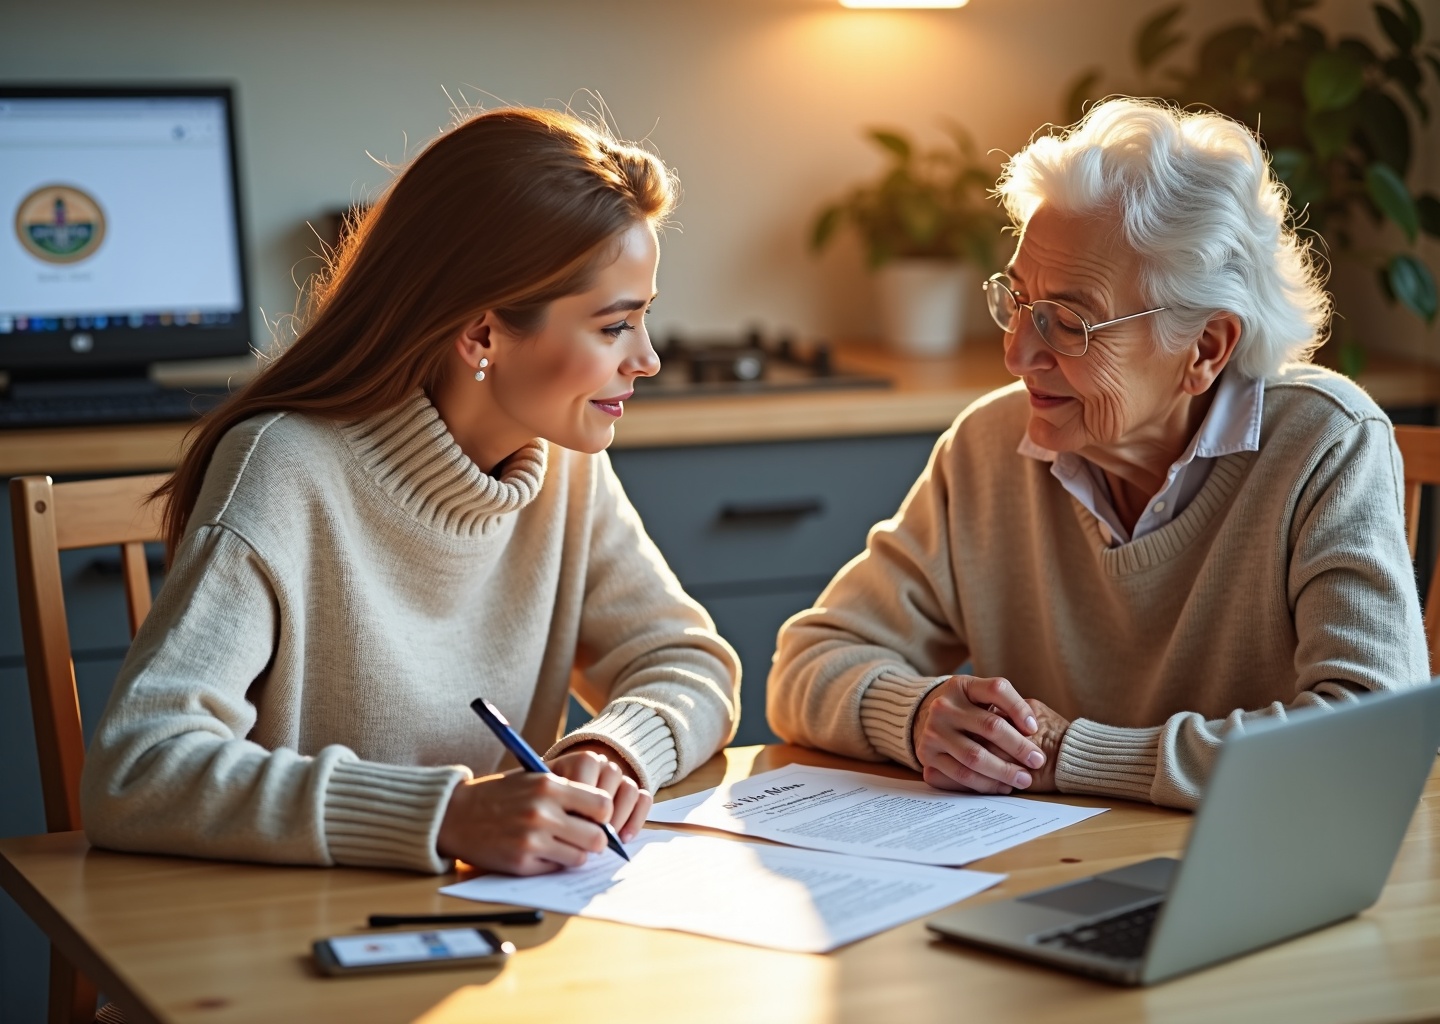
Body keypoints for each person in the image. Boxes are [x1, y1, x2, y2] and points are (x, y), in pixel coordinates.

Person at [80, 107, 740, 876]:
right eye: (613, 327)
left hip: (485, 939)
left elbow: (690, 661)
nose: (649, 360)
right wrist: (446, 816)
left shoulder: (563, 462)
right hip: (279, 949)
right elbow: (138, 770)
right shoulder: (283, 468)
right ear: (482, 336)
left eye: (644, 319)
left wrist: (612, 746)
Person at [768, 97, 1428, 809]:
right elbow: (806, 663)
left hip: (1253, 888)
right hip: (1044, 877)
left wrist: (1074, 754)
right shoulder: (988, 448)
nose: (1018, 352)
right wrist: (919, 715)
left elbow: (1365, 742)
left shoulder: (1325, 445)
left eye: (1070, 322)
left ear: (1206, 348)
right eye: (1017, 300)